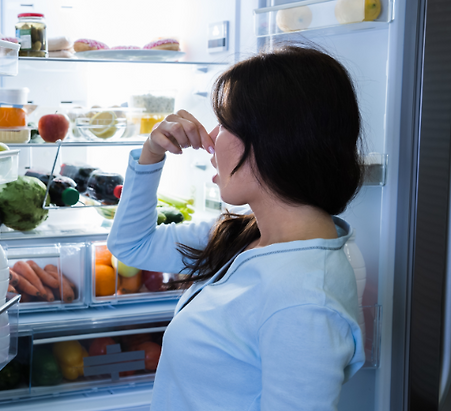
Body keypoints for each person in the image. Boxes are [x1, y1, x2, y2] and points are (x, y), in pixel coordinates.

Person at [107, 45, 366, 410]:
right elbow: (132, 245)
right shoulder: (251, 235)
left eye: (226, 124)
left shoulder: (306, 302)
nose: (211, 139)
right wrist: (151, 153)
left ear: (275, 139)